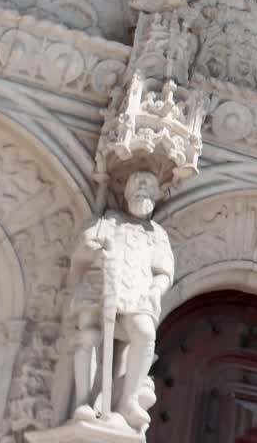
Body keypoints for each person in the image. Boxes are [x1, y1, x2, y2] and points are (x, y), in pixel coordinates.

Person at [65, 171, 175, 432]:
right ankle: (84, 403)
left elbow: (165, 271)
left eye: (149, 188)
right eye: (137, 186)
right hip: (101, 287)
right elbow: (82, 251)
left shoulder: (157, 234)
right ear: (125, 194)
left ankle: (127, 401)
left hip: (137, 294)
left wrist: (155, 290)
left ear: (158, 195)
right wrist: (91, 246)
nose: (143, 192)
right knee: (89, 336)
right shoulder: (110, 221)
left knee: (145, 334)